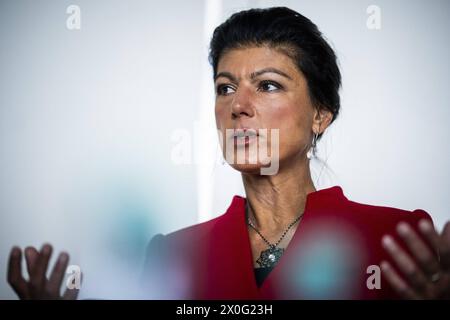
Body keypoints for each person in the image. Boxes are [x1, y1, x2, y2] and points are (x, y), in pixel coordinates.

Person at [7, 7, 450, 300]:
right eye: (225, 88)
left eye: (269, 85)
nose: (238, 105)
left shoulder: (398, 239)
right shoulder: (172, 254)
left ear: (321, 114)